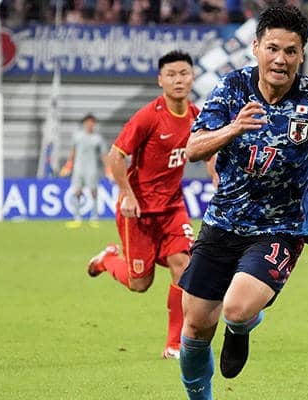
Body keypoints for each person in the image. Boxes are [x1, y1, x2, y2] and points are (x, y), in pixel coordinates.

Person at [176, 5, 308, 399]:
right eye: (272, 48)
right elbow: (194, 148)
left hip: (280, 227)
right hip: (222, 222)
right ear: (256, 48)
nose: (280, 60)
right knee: (196, 326)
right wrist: (234, 128)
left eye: (290, 51)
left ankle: (241, 325)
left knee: (235, 308)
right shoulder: (232, 88)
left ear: (302, 54)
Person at [85, 50, 200, 360]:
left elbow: (210, 151)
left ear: (193, 77)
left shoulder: (196, 115)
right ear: (160, 80)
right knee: (140, 283)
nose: (178, 80)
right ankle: (108, 259)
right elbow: (116, 155)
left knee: (184, 267)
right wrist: (128, 194)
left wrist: (217, 175)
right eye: (171, 75)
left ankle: (175, 345)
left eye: (184, 73)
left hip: (173, 208)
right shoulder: (148, 116)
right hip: (138, 211)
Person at [63, 113, 107, 228]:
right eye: (88, 122)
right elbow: (73, 151)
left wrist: (108, 167)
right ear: (84, 123)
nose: (89, 124)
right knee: (77, 191)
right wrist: (68, 164)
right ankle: (77, 217)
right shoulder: (77, 136)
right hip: (79, 168)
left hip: (92, 168)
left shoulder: (98, 138)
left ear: (94, 124)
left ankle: (94, 217)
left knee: (93, 191)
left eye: (92, 122)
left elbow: (103, 154)